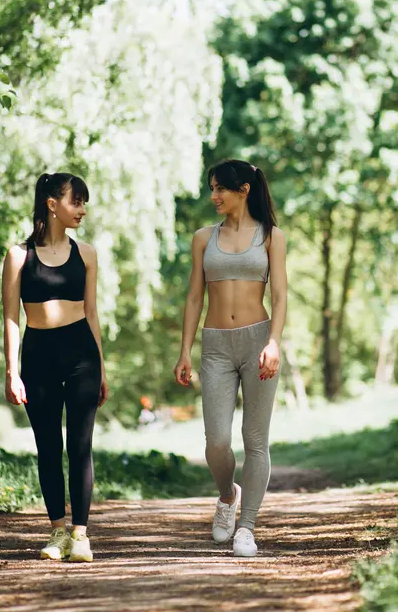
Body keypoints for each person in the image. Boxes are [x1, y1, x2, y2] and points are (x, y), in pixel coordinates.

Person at [174, 159, 288, 558]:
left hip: (258, 341)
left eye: (220, 188)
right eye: (212, 188)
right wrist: (185, 349)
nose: (213, 196)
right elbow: (194, 297)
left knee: (255, 440)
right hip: (216, 345)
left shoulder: (271, 236)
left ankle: (247, 527)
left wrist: (274, 342)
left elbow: (279, 296)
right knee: (217, 440)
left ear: (244, 190)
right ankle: (227, 496)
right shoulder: (204, 237)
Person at [1, 172, 108, 563]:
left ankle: (81, 535)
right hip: (39, 356)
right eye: (75, 201)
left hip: (82, 353)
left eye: (83, 202)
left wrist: (102, 367)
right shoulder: (17, 256)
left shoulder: (87, 253)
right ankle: (57, 531)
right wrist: (12, 370)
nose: (82, 209)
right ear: (52, 204)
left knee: (81, 446)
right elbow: (11, 317)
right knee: (49, 447)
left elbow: (93, 314)